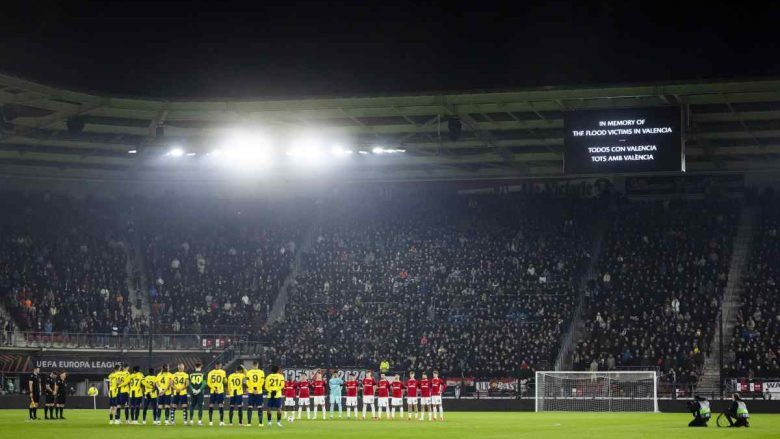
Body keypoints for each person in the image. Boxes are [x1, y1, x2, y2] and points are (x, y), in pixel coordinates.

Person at [245, 360, 265, 427]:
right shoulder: (261, 372)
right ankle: (260, 423)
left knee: (250, 407)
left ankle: (249, 423)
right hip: (259, 392)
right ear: (257, 365)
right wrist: (257, 389)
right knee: (259, 407)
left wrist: (253, 389)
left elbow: (247, 383)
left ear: (252, 365)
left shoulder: (249, 372)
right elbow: (262, 382)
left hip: (251, 392)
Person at [206, 360, 227, 426]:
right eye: (219, 365)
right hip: (220, 391)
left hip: (213, 391)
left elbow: (208, 383)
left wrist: (213, 389)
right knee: (220, 406)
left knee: (211, 405)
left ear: (215, 365)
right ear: (220, 365)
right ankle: (221, 422)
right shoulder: (223, 372)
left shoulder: (210, 372)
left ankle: (210, 422)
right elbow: (225, 381)